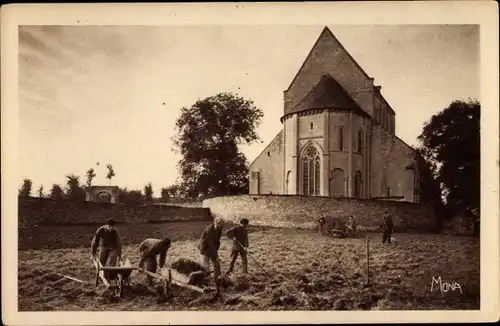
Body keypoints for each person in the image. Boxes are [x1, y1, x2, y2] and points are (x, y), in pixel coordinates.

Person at [198, 217, 224, 282]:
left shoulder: (219, 229)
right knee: (205, 267)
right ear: (215, 223)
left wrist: (216, 250)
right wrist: (217, 255)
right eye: (219, 225)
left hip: (212, 249)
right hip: (204, 248)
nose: (220, 227)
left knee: (217, 265)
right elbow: (211, 243)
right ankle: (205, 282)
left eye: (221, 226)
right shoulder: (209, 229)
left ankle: (217, 280)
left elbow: (217, 241)